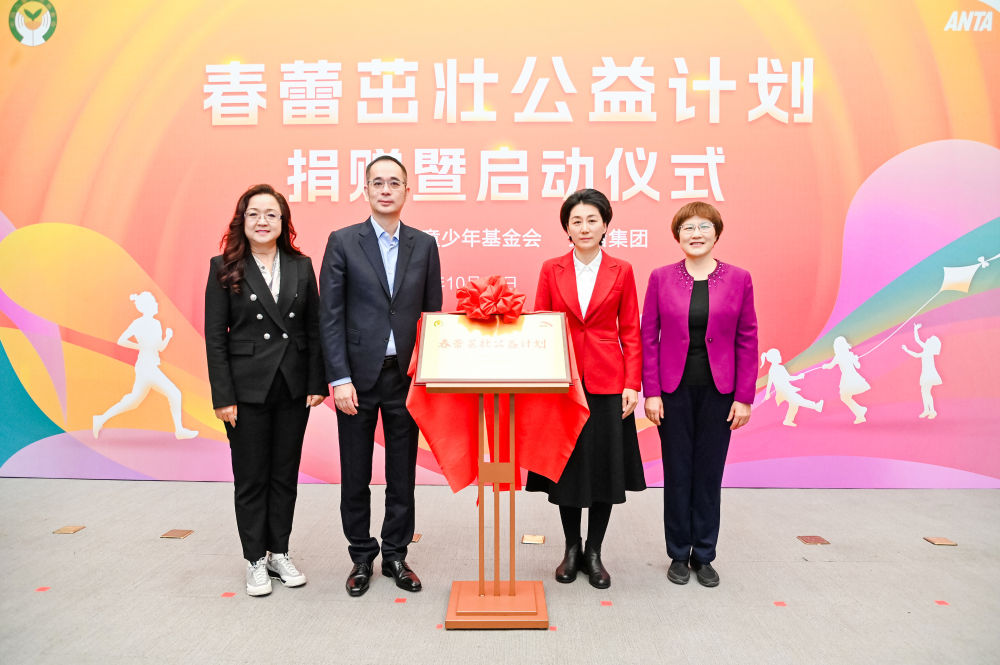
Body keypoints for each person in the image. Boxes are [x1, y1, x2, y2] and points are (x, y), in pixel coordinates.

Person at [319, 156, 443, 597]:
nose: (386, 190)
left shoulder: (424, 245)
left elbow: (432, 316)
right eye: (377, 183)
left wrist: (426, 376)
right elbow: (330, 316)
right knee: (355, 472)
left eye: (394, 183)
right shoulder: (342, 241)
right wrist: (339, 378)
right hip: (356, 379)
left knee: (401, 473)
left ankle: (395, 554)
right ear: (366, 190)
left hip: (404, 379)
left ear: (407, 190)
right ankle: (360, 556)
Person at [204, 184, 328, 597]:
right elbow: (215, 338)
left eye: (271, 214)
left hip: (293, 386)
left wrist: (316, 382)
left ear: (283, 222)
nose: (262, 221)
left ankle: (280, 552)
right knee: (251, 477)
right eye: (254, 214)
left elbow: (313, 327)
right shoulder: (224, 266)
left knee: (284, 475)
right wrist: (223, 396)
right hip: (246, 389)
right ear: (242, 220)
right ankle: (255, 558)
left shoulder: (300, 265)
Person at [525, 188, 645, 590]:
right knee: (568, 469)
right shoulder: (551, 268)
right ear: (567, 227)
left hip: (608, 382)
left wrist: (632, 383)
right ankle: (571, 548)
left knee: (605, 468)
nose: (585, 227)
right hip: (564, 381)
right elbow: (542, 325)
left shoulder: (622, 270)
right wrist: (543, 380)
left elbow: (631, 331)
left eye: (592, 219)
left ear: (605, 225)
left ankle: (595, 551)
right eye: (576, 220)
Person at [641, 201, 758, 588]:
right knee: (677, 473)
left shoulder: (739, 279)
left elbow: (747, 338)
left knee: (709, 474)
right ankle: (678, 552)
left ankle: (704, 554)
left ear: (716, 233)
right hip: (672, 393)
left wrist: (744, 397)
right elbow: (649, 337)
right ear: (677, 235)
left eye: (704, 227)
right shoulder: (661, 278)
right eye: (687, 227)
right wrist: (651, 392)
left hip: (720, 393)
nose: (696, 234)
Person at [93, 291, 198, 440]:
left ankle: (100, 419)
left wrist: (168, 337)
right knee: (174, 394)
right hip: (146, 367)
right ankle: (179, 430)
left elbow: (160, 348)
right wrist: (140, 346)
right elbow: (121, 340)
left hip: (150, 366)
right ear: (147, 306)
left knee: (133, 401)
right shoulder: (138, 323)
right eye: (154, 302)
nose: (157, 304)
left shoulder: (157, 324)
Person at [761, 348, 824, 426]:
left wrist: (767, 393)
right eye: (779, 355)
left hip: (782, 391)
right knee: (799, 400)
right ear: (774, 358)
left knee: (794, 405)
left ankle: (788, 420)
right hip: (785, 391)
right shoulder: (779, 368)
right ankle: (816, 406)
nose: (780, 357)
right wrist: (799, 377)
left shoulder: (772, 369)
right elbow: (788, 378)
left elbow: (770, 382)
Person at [822, 336, 869, 423]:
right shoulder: (849, 354)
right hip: (853, 377)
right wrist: (855, 359)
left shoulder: (838, 357)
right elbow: (858, 366)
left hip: (848, 378)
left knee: (844, 397)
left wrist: (824, 366)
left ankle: (860, 412)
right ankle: (860, 413)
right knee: (845, 397)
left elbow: (830, 366)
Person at [901, 322, 942, 418]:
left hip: (929, 374)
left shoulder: (928, 352)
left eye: (928, 340)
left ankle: (932, 411)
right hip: (926, 374)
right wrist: (915, 329)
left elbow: (916, 355)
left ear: (930, 344)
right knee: (924, 392)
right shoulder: (927, 349)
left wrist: (906, 350)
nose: (927, 340)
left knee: (926, 392)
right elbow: (917, 340)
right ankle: (927, 410)